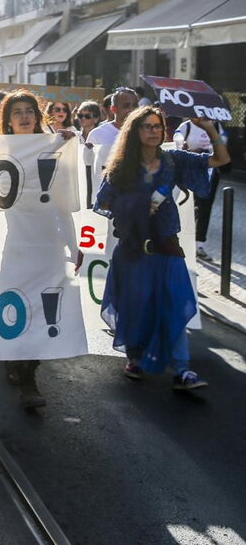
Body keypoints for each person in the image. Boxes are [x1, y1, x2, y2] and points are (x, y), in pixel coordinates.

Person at [95, 108, 229, 390]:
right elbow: (103, 203)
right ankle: (136, 358)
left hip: (167, 247)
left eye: (158, 126)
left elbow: (221, 159)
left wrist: (208, 128)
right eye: (147, 126)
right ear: (135, 132)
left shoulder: (174, 160)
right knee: (137, 306)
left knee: (174, 304)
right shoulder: (120, 166)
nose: (154, 131)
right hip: (133, 251)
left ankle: (182, 370)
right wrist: (138, 204)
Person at [0, 90, 75, 408]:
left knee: (45, 308)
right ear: (8, 121)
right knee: (17, 305)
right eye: (17, 112)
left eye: (29, 111)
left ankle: (29, 376)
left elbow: (64, 203)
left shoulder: (53, 149)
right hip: (15, 243)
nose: (24, 116)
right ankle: (16, 361)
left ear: (37, 117)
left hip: (48, 243)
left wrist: (73, 243)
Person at [174, 117, 228, 260]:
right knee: (187, 204)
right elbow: (176, 141)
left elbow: (223, 142)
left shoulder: (215, 125)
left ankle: (200, 244)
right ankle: (181, 239)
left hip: (209, 169)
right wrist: (187, 149)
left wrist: (212, 140)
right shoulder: (187, 125)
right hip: (189, 168)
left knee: (205, 206)